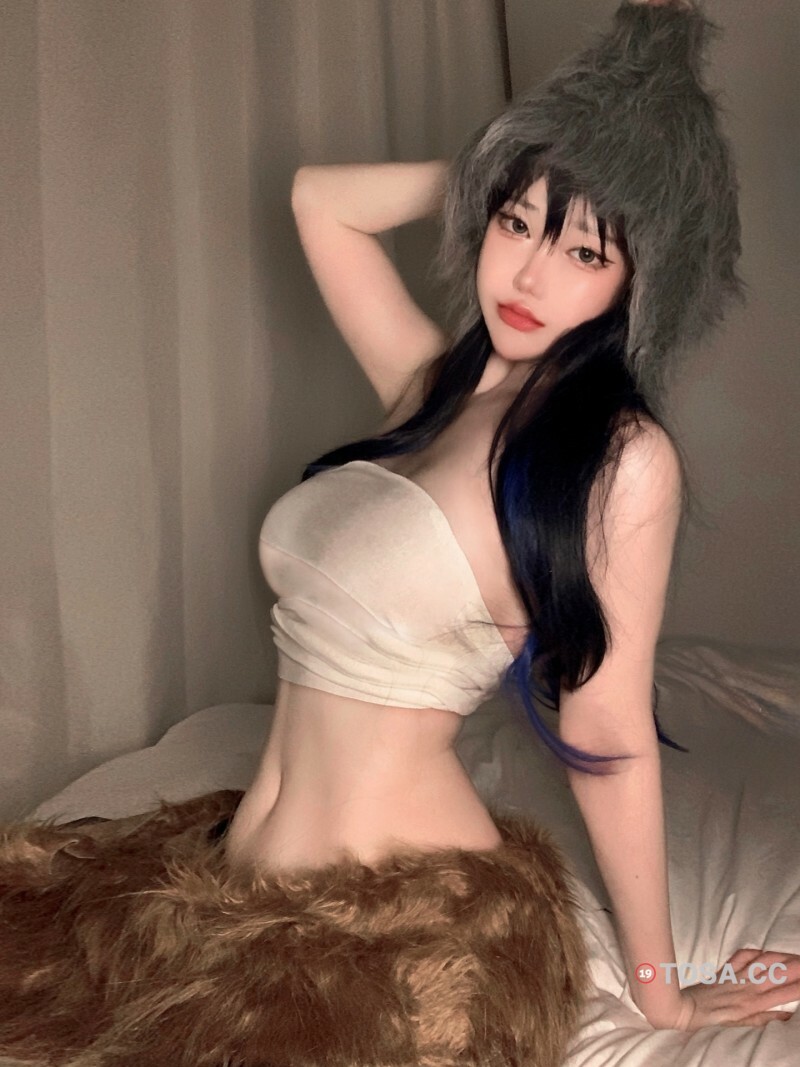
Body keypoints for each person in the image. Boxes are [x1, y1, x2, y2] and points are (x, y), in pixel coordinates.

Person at [0, 1, 797, 1065]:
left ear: (639, 282)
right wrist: (505, 164)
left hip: (395, 934)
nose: (527, 273)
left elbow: (608, 729)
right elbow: (319, 203)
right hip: (227, 882)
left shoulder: (620, 457)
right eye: (515, 223)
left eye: (583, 248)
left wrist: (663, 997)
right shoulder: (434, 387)